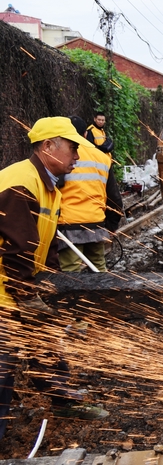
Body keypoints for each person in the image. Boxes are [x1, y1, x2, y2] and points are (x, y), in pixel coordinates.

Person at [0, 117, 110, 438]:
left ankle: (63, 401)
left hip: (17, 284)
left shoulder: (48, 185)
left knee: (46, 344)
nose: (77, 156)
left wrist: (49, 286)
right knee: (4, 364)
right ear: (48, 146)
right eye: (73, 148)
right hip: (7, 287)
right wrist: (27, 296)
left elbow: (45, 244)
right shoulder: (20, 183)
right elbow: (17, 250)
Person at [57, 117, 121, 272]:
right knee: (99, 269)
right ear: (85, 134)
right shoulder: (102, 157)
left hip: (68, 226)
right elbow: (114, 196)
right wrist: (111, 226)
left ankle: (73, 297)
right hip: (96, 224)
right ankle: (105, 296)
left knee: (71, 273)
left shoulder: (62, 156)